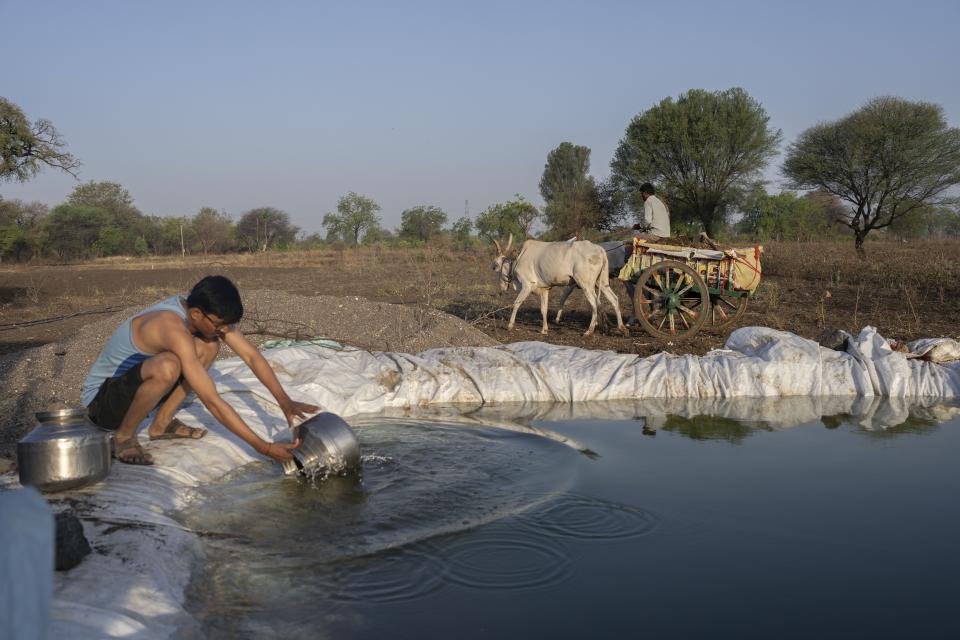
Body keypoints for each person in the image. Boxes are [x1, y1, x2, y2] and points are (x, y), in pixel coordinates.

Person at [81, 275, 319, 465]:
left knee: (208, 345)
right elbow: (211, 400)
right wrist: (263, 447)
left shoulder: (200, 311)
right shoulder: (170, 326)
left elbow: (251, 356)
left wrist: (285, 401)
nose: (224, 329)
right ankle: (123, 437)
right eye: (219, 324)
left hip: (135, 396)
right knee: (168, 365)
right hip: (103, 405)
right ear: (196, 314)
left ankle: (160, 424)